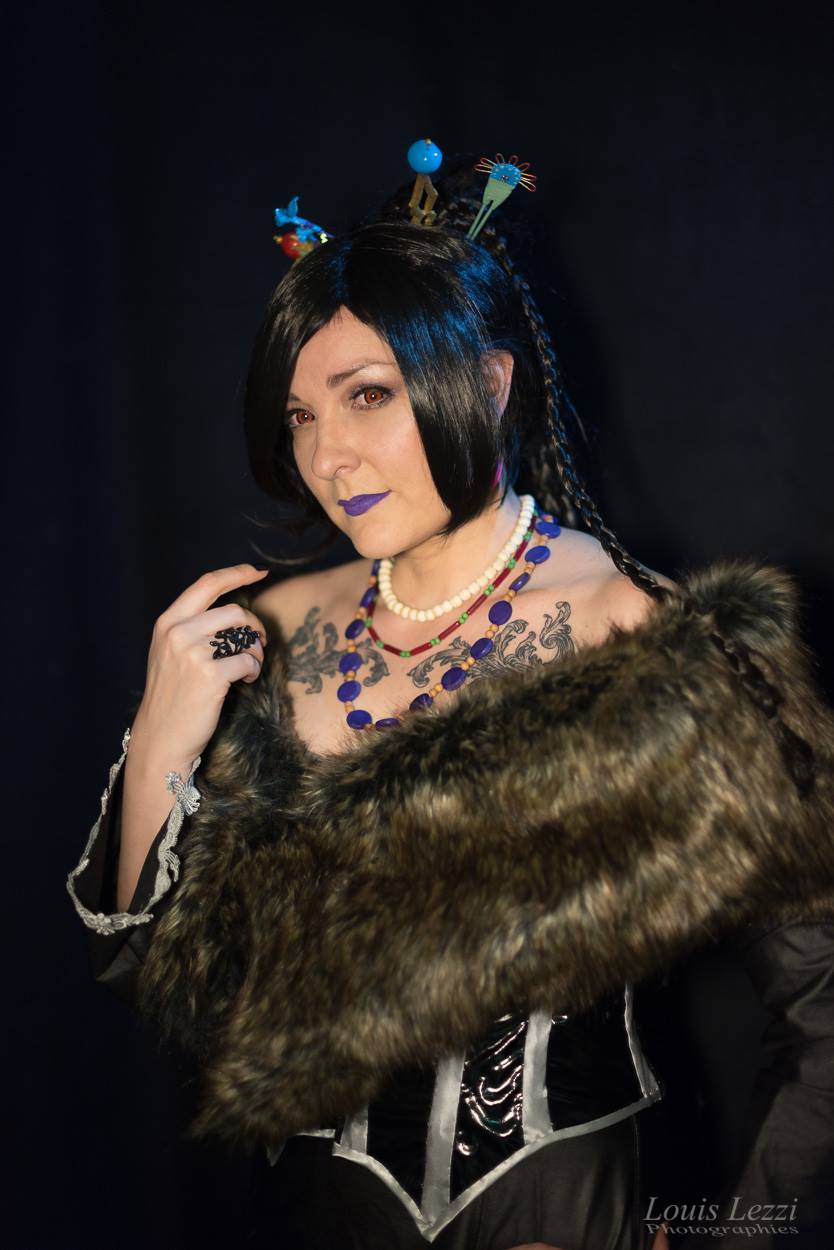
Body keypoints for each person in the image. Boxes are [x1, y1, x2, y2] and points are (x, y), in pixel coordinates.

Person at [66, 179, 834, 1250]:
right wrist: (163, 730)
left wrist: (728, 1238)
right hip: (317, 1217)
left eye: (368, 395)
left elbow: (823, 1005)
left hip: (563, 1204)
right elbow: (165, 983)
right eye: (301, 416)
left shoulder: (649, 631)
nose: (327, 457)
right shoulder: (265, 632)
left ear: (489, 379)